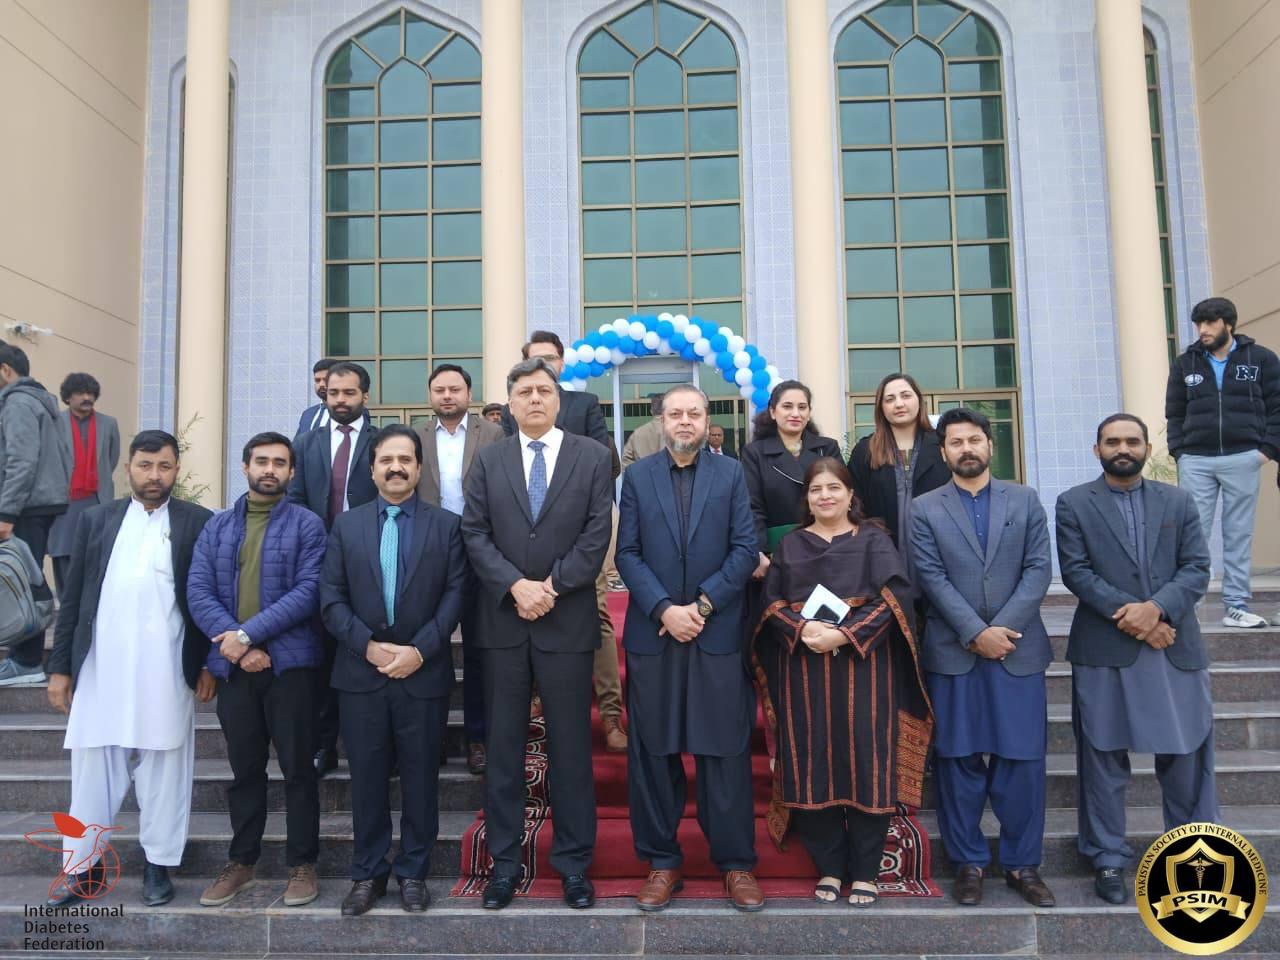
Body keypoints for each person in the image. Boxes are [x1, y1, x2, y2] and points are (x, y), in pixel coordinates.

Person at [461, 358, 614, 910]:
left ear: (558, 399)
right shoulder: (489, 458)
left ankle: (573, 865)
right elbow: (474, 531)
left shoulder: (592, 456)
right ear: (509, 401)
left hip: (566, 621)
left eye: (543, 391)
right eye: (524, 391)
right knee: (504, 748)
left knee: (570, 749)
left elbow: (597, 532)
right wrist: (515, 586)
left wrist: (551, 586)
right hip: (503, 622)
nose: (534, 399)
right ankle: (504, 865)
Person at [44, 430, 214, 907]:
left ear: (176, 469)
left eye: (164, 466)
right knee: (93, 770)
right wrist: (61, 668)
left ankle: (158, 866)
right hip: (102, 666)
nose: (154, 475)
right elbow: (73, 597)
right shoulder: (97, 520)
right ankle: (82, 868)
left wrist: (207, 663)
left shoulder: (198, 521)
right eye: (145, 465)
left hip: (168, 666)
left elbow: (208, 596)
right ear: (128, 469)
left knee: (165, 768)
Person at [1056, 414, 1217, 904]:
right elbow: (1077, 572)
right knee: (1102, 758)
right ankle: (1106, 856)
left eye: (1131, 441)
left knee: (1186, 757)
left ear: (1147, 448)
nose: (1122, 448)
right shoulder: (1073, 503)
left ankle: (1193, 855)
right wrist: (1141, 618)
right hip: (1105, 648)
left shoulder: (1178, 500)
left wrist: (1158, 609)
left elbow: (1197, 567)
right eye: (1112, 441)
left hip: (1174, 644)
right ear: (1097, 449)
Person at [756, 458, 932, 906]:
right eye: (816, 489)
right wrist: (802, 630)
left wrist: (845, 634)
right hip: (803, 669)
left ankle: (866, 872)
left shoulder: (874, 541)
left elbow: (894, 600)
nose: (825, 496)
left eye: (834, 487)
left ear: (851, 494)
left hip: (865, 669)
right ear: (807, 498)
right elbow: (770, 604)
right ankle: (831, 868)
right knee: (810, 760)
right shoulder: (791, 545)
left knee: (867, 761)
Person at [614, 384, 762, 913]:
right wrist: (664, 610)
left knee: (724, 751)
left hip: (715, 632)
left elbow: (746, 549)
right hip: (655, 635)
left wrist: (700, 607)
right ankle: (662, 861)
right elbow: (627, 552)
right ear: (661, 420)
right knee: (654, 753)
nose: (684, 421)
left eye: (693, 414)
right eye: (675, 413)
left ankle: (736, 863)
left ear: (706, 420)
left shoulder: (731, 473)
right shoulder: (637, 477)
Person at [909, 408, 1055, 909]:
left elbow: (1038, 569)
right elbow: (930, 576)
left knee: (1022, 762)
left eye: (974, 439)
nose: (966, 448)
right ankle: (967, 863)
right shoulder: (924, 509)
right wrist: (975, 632)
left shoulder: (1025, 499)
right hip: (955, 653)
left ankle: (1022, 864)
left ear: (990, 445)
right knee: (958, 762)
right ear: (943, 451)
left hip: (1017, 650)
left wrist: (1000, 631)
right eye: (956, 442)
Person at [322, 425, 469, 915]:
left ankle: (413, 873)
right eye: (386, 460)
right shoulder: (346, 526)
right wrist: (367, 647)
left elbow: (456, 596)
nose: (396, 468)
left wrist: (419, 651)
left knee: (421, 780)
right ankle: (367, 873)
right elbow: (330, 597)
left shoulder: (447, 526)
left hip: (422, 675)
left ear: (419, 468)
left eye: (405, 460)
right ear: (372, 469)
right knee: (366, 781)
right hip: (360, 676)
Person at [187, 432, 328, 909]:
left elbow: (309, 591)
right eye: (262, 461)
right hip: (235, 670)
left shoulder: (308, 526)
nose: (270, 469)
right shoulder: (218, 527)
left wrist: (247, 635)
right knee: (245, 770)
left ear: (291, 472)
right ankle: (242, 862)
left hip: (291, 668)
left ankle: (302, 864)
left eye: (279, 463)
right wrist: (237, 645)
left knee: (298, 770)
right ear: (245, 467)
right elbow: (198, 591)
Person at [505, 331, 627, 751]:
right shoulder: (517, 404)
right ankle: (536, 702)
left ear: (562, 363)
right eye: (535, 358)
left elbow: (605, 460)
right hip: (526, 535)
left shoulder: (583, 403)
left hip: (583, 530)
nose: (544, 367)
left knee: (597, 613)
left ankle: (611, 715)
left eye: (551, 359)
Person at [1165, 296, 1280, 629]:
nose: (1202, 329)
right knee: (1193, 534)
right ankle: (1189, 605)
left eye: (1209, 322)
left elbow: (1277, 407)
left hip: (1244, 457)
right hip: (1196, 460)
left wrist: (1266, 450)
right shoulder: (1185, 363)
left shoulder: (1261, 359)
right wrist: (1179, 452)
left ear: (1228, 324)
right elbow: (1174, 412)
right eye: (1198, 323)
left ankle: (1236, 605)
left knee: (1238, 533)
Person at [287, 360, 378, 775]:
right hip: (320, 564)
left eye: (349, 393)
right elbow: (296, 499)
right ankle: (324, 746)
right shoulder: (306, 444)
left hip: (372, 565)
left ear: (365, 396)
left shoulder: (382, 441)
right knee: (323, 660)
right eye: (333, 393)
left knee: (368, 653)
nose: (340, 400)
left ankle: (377, 750)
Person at [414, 363, 504, 775]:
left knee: (479, 650)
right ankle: (427, 739)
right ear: (430, 395)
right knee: (427, 644)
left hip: (482, 550)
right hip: (430, 552)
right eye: (440, 390)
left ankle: (478, 739)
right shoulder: (416, 436)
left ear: (469, 393)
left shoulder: (494, 434)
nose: (447, 396)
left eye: (455, 389)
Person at [0, 341, 71, 687]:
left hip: (25, 506)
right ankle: (23, 657)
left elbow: (22, 460)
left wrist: (6, 512)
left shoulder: (18, 402)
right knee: (25, 577)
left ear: (4, 370)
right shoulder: (38, 399)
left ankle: (27, 660)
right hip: (37, 503)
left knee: (21, 580)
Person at [739, 380, 841, 579]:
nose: (795, 413)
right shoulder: (755, 453)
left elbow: (842, 497)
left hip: (827, 547)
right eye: (787, 406)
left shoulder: (827, 448)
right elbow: (752, 506)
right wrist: (758, 551)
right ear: (772, 412)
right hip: (777, 552)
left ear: (809, 413)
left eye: (802, 407)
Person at [846, 373, 948, 559]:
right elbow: (854, 505)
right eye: (890, 399)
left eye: (906, 396)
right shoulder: (865, 451)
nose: (899, 404)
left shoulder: (944, 446)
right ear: (881, 407)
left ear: (919, 400)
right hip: (882, 554)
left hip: (939, 552)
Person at [48, 373, 120, 595]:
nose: (87, 397)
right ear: (68, 397)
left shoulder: (108, 423)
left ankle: (90, 606)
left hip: (96, 499)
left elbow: (111, 458)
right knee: (63, 553)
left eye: (90, 393)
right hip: (64, 501)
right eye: (80, 393)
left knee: (94, 555)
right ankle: (66, 604)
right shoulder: (54, 422)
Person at [621, 394, 665, 468]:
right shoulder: (677, 431)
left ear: (651, 411)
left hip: (643, 473)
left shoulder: (637, 433)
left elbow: (626, 461)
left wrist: (636, 474)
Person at [296, 358, 336, 435]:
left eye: (326, 380)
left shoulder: (347, 413)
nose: (321, 384)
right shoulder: (308, 414)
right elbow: (298, 441)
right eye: (317, 380)